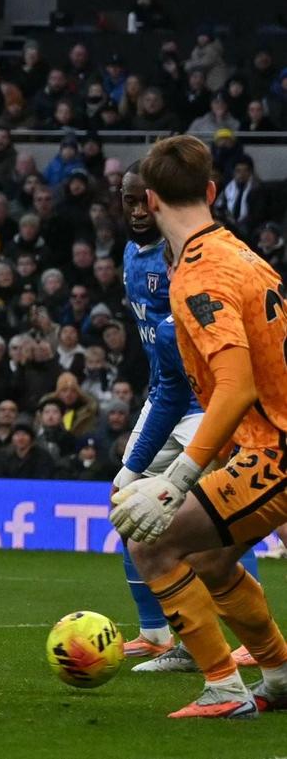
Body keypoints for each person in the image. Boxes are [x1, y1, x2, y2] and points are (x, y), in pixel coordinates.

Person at [111, 135, 287, 719]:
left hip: (275, 452)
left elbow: (236, 387)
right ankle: (279, 674)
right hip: (268, 443)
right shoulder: (242, 253)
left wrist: (177, 479)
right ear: (211, 192)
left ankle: (223, 688)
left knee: (150, 542)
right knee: (210, 560)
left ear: (151, 200)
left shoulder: (197, 276)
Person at [116, 163, 258, 670]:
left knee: (225, 516)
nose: (137, 211)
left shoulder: (191, 258)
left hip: (209, 402)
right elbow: (162, 354)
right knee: (127, 505)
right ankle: (157, 634)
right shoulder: (132, 254)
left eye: (144, 200)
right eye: (128, 200)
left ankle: (245, 641)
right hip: (167, 395)